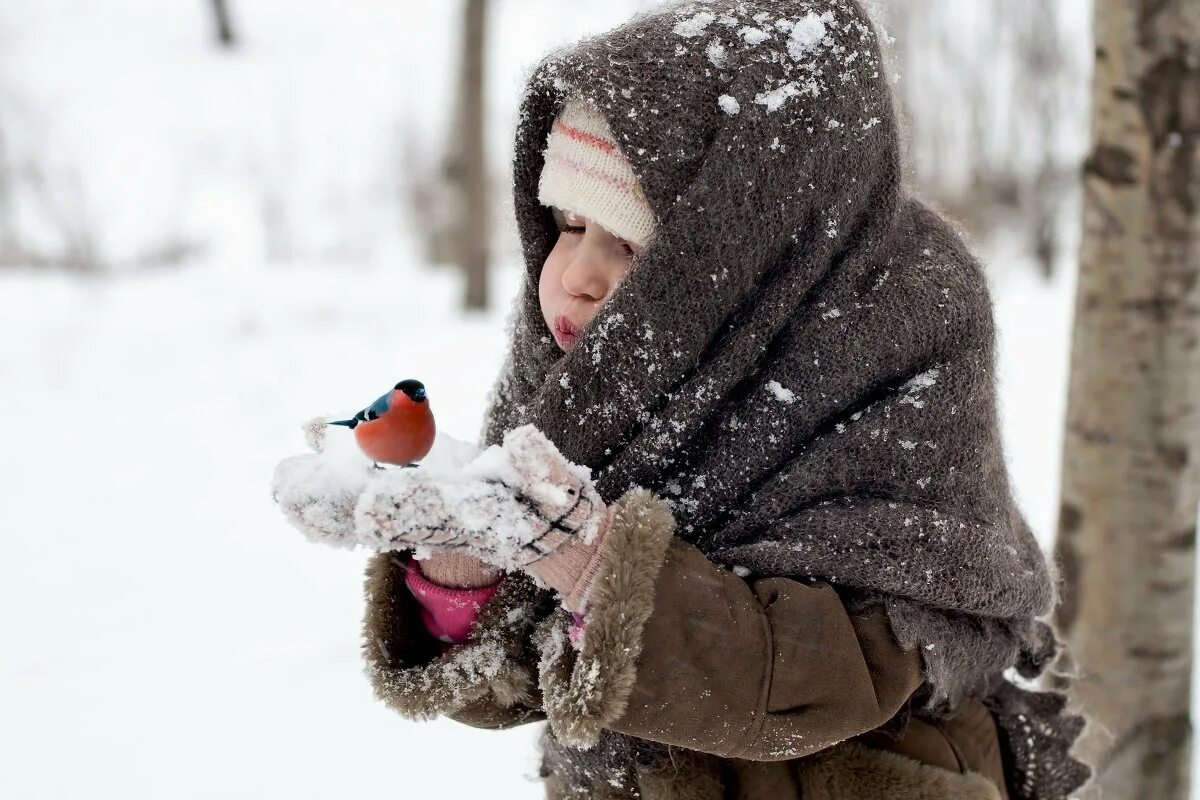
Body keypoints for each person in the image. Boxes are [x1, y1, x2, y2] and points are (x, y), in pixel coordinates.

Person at [284, 1, 1094, 798]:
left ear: (740, 248)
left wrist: (598, 571)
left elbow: (825, 683)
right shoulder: (588, 376)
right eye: (566, 224)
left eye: (627, 243)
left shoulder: (897, 332)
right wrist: (466, 577)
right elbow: (530, 681)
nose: (575, 276)